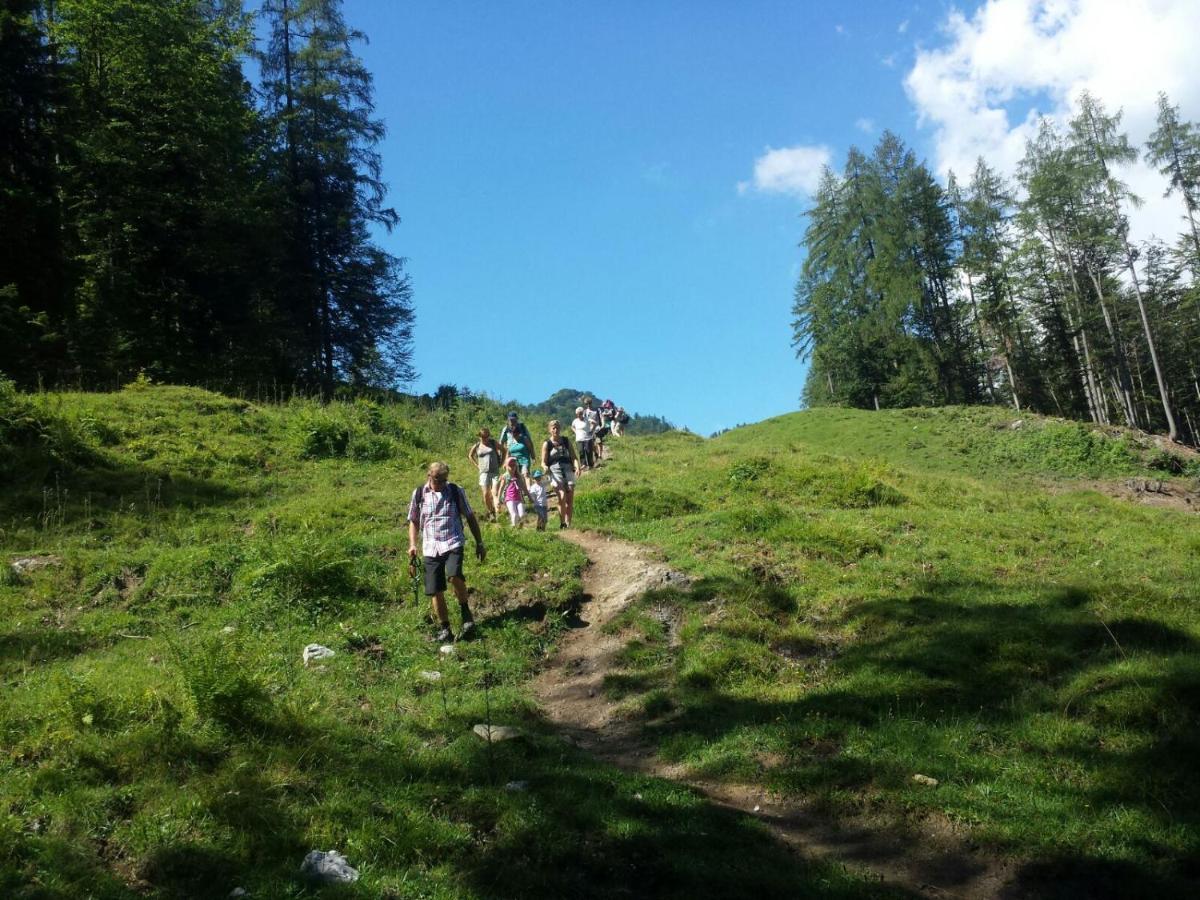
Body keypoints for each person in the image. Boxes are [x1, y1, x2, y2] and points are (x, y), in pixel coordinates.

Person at [407, 461, 486, 643]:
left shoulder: (456, 491)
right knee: (435, 590)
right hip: (430, 546)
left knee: (454, 575)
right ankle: (445, 629)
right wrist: (412, 544)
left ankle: (466, 616)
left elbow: (470, 516)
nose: (441, 484)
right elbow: (413, 520)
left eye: (444, 480)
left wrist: (479, 542)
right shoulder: (419, 494)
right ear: (429, 476)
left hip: (453, 542)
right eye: (437, 480)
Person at [541, 420, 580, 529]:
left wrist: (577, 467)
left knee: (570, 498)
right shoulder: (547, 444)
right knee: (562, 496)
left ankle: (568, 523)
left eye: (557, 427)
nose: (556, 430)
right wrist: (545, 467)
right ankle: (562, 522)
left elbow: (574, 457)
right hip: (555, 472)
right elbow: (543, 461)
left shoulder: (566, 441)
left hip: (568, 470)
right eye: (553, 428)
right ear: (549, 430)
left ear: (560, 428)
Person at [467, 427, 502, 521]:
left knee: (494, 492)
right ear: (480, 436)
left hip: (494, 471)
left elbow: (504, 450)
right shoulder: (477, 445)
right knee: (486, 494)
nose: (485, 438)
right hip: (483, 472)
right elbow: (470, 455)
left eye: (486, 436)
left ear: (489, 436)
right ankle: (491, 512)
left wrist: (502, 463)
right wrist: (477, 465)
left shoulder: (493, 443)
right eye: (483, 436)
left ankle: (498, 512)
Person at [496, 456, 534, 526]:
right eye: (510, 465)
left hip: (519, 499)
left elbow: (524, 488)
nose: (513, 466)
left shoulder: (518, 477)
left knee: (522, 515)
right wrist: (498, 500)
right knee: (514, 515)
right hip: (509, 499)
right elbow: (501, 488)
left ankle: (519, 527)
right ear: (506, 466)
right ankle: (514, 528)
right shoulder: (505, 476)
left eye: (514, 465)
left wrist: (530, 497)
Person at [499, 411, 535, 475]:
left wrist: (533, 457)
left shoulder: (522, 428)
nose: (512, 422)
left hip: (524, 456)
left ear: (517, 419)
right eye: (510, 420)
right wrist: (500, 456)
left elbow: (529, 442)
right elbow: (501, 443)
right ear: (508, 420)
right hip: (511, 455)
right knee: (513, 477)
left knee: (525, 475)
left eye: (514, 420)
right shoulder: (506, 429)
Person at [571, 405, 595, 469]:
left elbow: (594, 423)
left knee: (588, 451)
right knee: (581, 451)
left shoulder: (587, 419)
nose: (579, 415)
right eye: (578, 414)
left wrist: (592, 430)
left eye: (581, 413)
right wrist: (575, 431)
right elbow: (572, 427)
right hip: (579, 439)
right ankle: (583, 464)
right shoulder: (575, 421)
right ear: (576, 414)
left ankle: (591, 465)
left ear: (583, 413)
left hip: (587, 438)